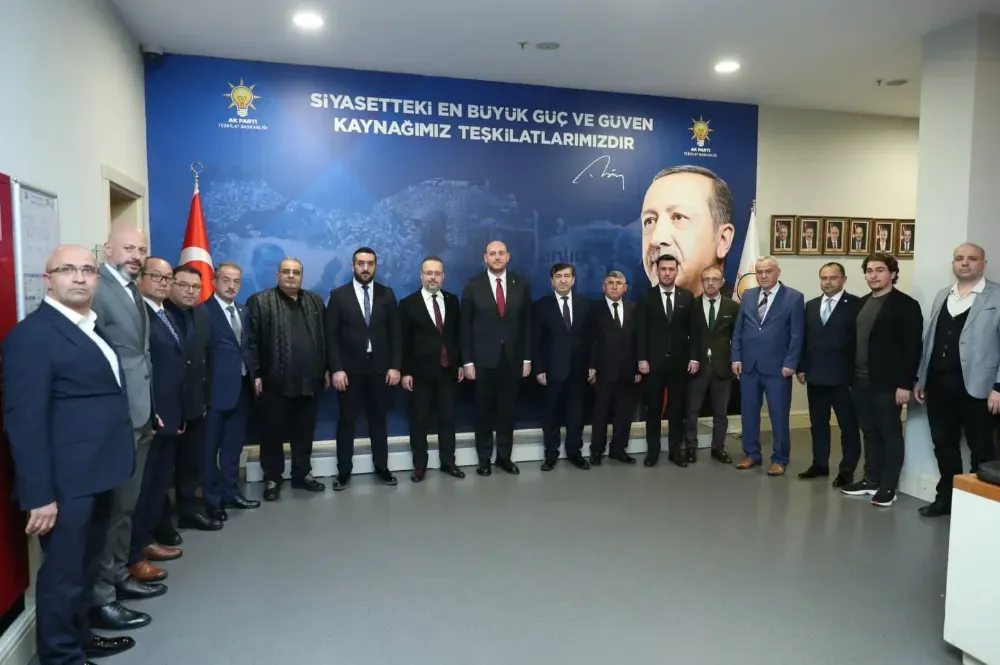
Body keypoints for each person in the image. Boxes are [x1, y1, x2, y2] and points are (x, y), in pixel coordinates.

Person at [2, 245, 136, 663]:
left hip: (100, 473)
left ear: (97, 277)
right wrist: (39, 495)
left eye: (87, 270)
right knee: (63, 574)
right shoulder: (32, 337)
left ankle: (79, 636)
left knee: (85, 565)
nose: (79, 277)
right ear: (48, 280)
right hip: (64, 484)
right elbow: (24, 422)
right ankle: (59, 656)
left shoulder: (91, 327)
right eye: (67, 270)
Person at [90, 223, 157, 631]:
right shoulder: (98, 289)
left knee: (127, 506)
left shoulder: (132, 290)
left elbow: (140, 356)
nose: (135, 255)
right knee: (113, 510)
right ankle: (102, 597)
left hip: (141, 413)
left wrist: (151, 409)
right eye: (128, 248)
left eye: (141, 249)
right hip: (116, 419)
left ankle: (118, 575)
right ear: (108, 249)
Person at [915, 243, 1000, 516]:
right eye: (959, 258)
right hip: (939, 385)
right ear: (953, 263)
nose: (965, 263)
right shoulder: (943, 295)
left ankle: (979, 508)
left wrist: (999, 387)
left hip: (980, 388)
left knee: (982, 449)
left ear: (983, 263)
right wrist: (921, 378)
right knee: (944, 446)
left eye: (972, 258)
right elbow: (930, 340)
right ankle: (947, 498)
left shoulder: (996, 296)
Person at [841, 253, 922, 508]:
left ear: (893, 274)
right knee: (869, 432)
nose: (873, 275)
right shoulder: (861, 303)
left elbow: (912, 348)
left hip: (888, 384)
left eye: (879, 270)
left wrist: (905, 384)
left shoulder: (906, 305)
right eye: (869, 271)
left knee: (889, 434)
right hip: (860, 381)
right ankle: (871, 479)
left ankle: (889, 486)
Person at [248, 258, 328, 502]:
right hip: (274, 381)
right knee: (272, 433)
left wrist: (325, 369)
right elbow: (251, 342)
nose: (291, 276)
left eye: (296, 272)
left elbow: (324, 338)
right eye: (286, 271)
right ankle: (273, 477)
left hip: (309, 380)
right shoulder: (260, 301)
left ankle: (302, 474)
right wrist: (256, 373)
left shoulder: (314, 301)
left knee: (304, 432)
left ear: (302, 276)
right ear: (278, 275)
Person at [127, 258, 185, 589]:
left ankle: (146, 541)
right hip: (149, 415)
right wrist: (152, 410)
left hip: (169, 413)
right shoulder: (139, 315)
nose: (163, 282)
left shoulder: (167, 314)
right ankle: (133, 554)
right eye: (156, 277)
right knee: (142, 487)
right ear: (141, 279)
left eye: (168, 277)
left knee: (158, 484)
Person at [326, 247, 401, 489]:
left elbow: (396, 334)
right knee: (346, 422)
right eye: (361, 263)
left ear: (376, 266)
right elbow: (331, 337)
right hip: (349, 372)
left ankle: (382, 467)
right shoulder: (339, 295)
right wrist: (336, 369)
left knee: (378, 421)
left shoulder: (387, 294)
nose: (365, 268)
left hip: (380, 370)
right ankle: (343, 472)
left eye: (370, 263)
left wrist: (395, 366)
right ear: (353, 266)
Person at [460, 240, 532, 476]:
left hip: (512, 359)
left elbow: (527, 325)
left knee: (507, 412)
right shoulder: (473, 285)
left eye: (501, 253)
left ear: (508, 256)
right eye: (492, 253)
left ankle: (504, 457)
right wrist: (467, 361)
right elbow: (464, 326)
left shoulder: (521, 284)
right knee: (483, 412)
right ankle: (484, 459)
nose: (497, 257)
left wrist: (527, 359)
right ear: (485, 258)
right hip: (482, 360)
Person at [160, 264, 222, 533]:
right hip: (166, 408)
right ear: (171, 284)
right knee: (161, 470)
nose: (190, 291)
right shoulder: (159, 315)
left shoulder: (202, 314)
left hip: (196, 404)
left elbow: (206, 359)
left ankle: (189, 512)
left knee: (191, 464)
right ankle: (161, 523)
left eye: (196, 286)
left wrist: (205, 401)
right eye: (183, 285)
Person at [731, 256, 805, 476]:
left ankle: (780, 458)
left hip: (778, 368)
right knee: (749, 414)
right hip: (749, 367)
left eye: (768, 271)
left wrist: (791, 363)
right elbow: (739, 330)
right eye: (759, 272)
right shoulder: (748, 295)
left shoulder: (793, 297)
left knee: (778, 415)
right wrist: (736, 358)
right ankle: (751, 453)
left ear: (778, 272)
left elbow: (797, 334)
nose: (763, 276)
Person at [200, 261, 261, 520]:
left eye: (236, 281)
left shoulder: (243, 310)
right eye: (226, 280)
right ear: (214, 281)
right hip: (213, 394)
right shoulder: (203, 311)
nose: (231, 285)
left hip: (242, 390)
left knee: (233, 448)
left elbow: (248, 347)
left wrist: (256, 375)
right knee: (208, 450)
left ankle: (230, 492)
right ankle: (212, 499)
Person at [399, 256, 466, 481]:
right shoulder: (408, 304)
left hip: (448, 372)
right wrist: (405, 371)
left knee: (448, 419)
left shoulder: (452, 300)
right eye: (429, 273)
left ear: (443, 276)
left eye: (437, 273)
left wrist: (459, 363)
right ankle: (420, 466)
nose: (433, 277)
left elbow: (457, 336)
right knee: (419, 421)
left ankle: (448, 462)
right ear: (421, 275)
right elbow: (403, 341)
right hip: (420, 374)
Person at [796, 262, 862, 486]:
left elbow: (860, 342)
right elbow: (804, 340)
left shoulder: (856, 305)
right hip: (815, 376)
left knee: (848, 426)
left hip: (844, 378)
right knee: (818, 424)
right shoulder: (811, 305)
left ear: (843, 279)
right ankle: (819, 464)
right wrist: (802, 367)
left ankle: (847, 470)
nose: (828, 282)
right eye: (824, 278)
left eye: (833, 277)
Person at [636, 254, 700, 467]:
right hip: (653, 363)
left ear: (676, 271)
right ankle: (653, 452)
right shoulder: (646, 297)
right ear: (657, 270)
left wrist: (694, 357)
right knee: (653, 409)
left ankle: (675, 451)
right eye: (663, 269)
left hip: (679, 364)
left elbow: (694, 331)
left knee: (677, 410)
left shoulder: (687, 297)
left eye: (671, 269)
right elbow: (641, 331)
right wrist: (642, 359)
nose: (667, 273)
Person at [639, 165, 735, 297]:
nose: (656, 239)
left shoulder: (743, 308)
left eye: (678, 217)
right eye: (649, 221)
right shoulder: (638, 308)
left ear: (723, 239)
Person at [532, 262, 591, 471]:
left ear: (573, 280)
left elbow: (592, 339)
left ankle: (575, 452)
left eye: (567, 276)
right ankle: (551, 454)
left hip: (578, 369)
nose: (563, 280)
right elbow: (535, 341)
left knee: (576, 414)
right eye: (558, 276)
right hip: (551, 370)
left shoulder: (585, 304)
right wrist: (539, 368)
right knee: (551, 415)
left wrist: (592, 365)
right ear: (552, 281)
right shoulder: (541, 306)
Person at [684, 265, 738, 464]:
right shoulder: (692, 306)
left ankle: (718, 448)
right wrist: (692, 357)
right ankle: (690, 447)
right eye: (706, 279)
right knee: (692, 411)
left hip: (723, 367)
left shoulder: (733, 307)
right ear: (702, 282)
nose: (710, 283)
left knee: (720, 413)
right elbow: (686, 336)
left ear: (722, 282)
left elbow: (737, 338)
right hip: (697, 366)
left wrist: (735, 360)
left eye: (715, 279)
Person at [588, 271, 642, 463]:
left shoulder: (633, 308)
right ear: (603, 287)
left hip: (628, 371)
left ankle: (618, 449)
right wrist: (591, 366)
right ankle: (596, 450)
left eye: (618, 283)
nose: (614, 286)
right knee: (600, 412)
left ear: (625, 288)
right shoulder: (594, 309)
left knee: (624, 413)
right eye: (610, 282)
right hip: (603, 370)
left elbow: (638, 340)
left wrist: (637, 368)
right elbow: (590, 340)